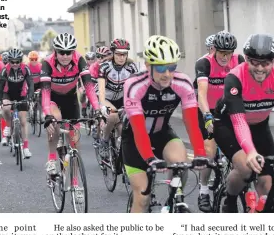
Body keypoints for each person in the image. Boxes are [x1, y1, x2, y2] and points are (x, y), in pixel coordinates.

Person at [122, 35, 208, 213]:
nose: (167, 73)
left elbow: (191, 123)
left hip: (163, 133)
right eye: (161, 68)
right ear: (148, 66)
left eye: (171, 67)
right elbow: (138, 129)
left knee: (181, 164)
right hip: (134, 139)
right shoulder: (134, 85)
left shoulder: (182, 83)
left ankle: (172, 202)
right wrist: (150, 158)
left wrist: (200, 152)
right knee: (143, 197)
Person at [213, 33, 274, 213]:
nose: (260, 68)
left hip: (259, 126)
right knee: (246, 167)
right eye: (254, 62)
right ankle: (230, 200)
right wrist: (250, 152)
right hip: (227, 125)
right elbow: (239, 121)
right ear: (246, 58)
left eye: (266, 63)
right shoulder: (235, 78)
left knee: (266, 181)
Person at [194, 31, 245, 212]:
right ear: (214, 49)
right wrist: (207, 115)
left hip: (229, 110)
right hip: (208, 109)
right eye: (221, 52)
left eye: (229, 52)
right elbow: (201, 93)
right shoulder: (204, 63)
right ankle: (204, 190)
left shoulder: (239, 61)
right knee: (209, 149)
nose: (225, 57)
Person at [41, 33, 101, 176]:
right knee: (55, 119)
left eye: (69, 52)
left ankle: (75, 183)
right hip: (53, 99)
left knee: (75, 143)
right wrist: (48, 114)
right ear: (55, 51)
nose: (65, 56)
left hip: (71, 98)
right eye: (61, 52)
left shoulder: (79, 60)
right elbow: (45, 92)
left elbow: (89, 87)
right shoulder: (47, 62)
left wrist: (98, 109)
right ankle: (51, 159)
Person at [98, 38, 138, 159]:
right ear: (113, 53)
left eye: (124, 54)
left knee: (123, 129)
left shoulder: (131, 67)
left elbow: (136, 88)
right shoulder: (105, 67)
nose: (121, 57)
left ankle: (124, 156)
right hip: (107, 99)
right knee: (113, 115)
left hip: (123, 100)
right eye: (118, 54)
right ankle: (104, 141)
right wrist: (104, 105)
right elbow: (101, 92)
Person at [0, 48, 34, 157]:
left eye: (17, 61)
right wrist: (0, 101)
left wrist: (30, 98)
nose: (15, 64)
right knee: (6, 108)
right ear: (9, 61)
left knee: (23, 122)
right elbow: (0, 87)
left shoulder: (25, 69)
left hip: (21, 94)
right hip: (7, 94)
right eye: (12, 62)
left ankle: (26, 147)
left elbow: (31, 84)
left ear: (21, 61)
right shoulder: (5, 70)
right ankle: (8, 126)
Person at [88, 46, 113, 140]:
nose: (100, 59)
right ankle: (96, 125)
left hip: (109, 90)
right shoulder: (93, 67)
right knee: (97, 108)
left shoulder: (111, 66)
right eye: (98, 56)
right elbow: (90, 81)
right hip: (96, 87)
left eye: (103, 57)